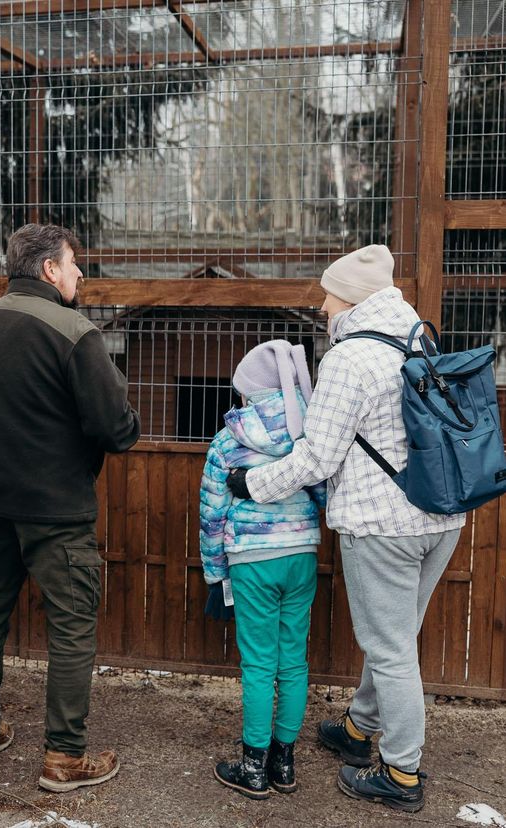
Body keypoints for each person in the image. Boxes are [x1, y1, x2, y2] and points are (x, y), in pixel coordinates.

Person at [226, 244, 464, 813]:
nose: (323, 303)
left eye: (328, 293)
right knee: (397, 636)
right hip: (442, 516)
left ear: (351, 298)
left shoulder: (349, 357)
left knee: (391, 650)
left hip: (382, 524)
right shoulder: (419, 337)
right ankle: (359, 729)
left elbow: (318, 457)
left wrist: (252, 484)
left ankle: (402, 774)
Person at [0, 223, 140, 792]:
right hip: (59, 512)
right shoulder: (75, 331)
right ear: (49, 269)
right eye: (73, 264)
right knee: (71, 630)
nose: (79, 274)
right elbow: (115, 429)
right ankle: (64, 757)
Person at [200, 340, 325, 800]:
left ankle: (252, 767)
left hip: (252, 558)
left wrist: (216, 572)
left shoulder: (228, 441)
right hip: (301, 555)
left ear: (249, 392)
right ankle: (284, 763)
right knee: (293, 660)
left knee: (257, 664)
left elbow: (212, 512)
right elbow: (324, 494)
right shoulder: (309, 434)